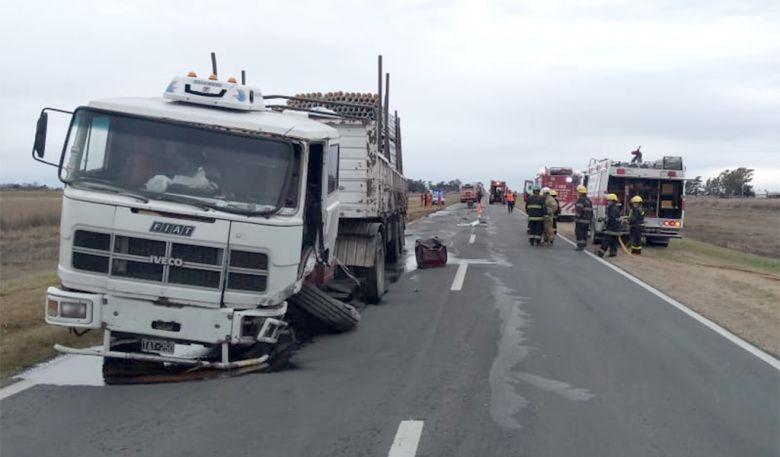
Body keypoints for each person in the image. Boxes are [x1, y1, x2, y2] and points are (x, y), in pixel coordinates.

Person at [597, 193, 622, 258]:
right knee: (613, 242)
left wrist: (605, 221)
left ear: (612, 201)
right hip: (616, 228)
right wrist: (603, 219)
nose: (607, 202)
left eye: (608, 200)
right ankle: (613, 253)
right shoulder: (615, 208)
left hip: (611, 228)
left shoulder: (612, 208)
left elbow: (611, 218)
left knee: (606, 241)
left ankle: (600, 253)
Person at [574, 185, 593, 250]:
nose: (577, 193)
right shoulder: (588, 200)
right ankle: (584, 244)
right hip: (587, 221)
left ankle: (580, 246)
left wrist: (576, 218)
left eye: (578, 192)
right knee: (584, 233)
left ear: (580, 192)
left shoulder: (580, 200)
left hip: (581, 220)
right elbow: (591, 211)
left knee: (579, 232)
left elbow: (579, 210)